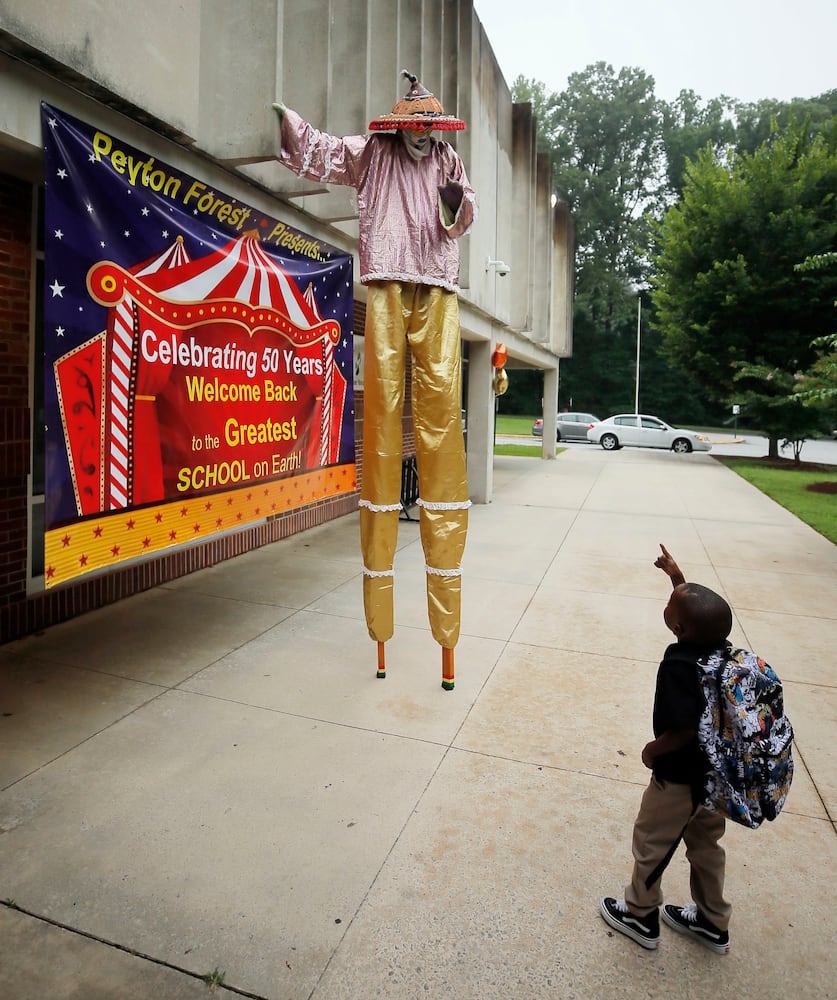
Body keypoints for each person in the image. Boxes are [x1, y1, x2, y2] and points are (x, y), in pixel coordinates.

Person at [272, 72, 476, 690]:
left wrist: (451, 201)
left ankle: (446, 635)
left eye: (430, 131)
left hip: (436, 289)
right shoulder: (375, 153)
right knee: (383, 417)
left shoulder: (447, 156)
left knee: (440, 421)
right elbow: (330, 154)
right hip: (386, 283)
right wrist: (291, 123)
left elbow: (465, 210)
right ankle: (380, 630)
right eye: (415, 130)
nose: (423, 139)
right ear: (400, 127)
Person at [599, 544, 733, 954]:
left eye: (672, 603)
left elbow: (683, 731)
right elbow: (694, 612)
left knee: (651, 840)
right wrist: (676, 577)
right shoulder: (718, 651)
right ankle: (713, 921)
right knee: (706, 846)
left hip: (678, 778)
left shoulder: (679, 666)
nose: (670, 602)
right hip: (714, 780)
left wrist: (652, 751)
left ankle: (640, 915)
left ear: (678, 628)